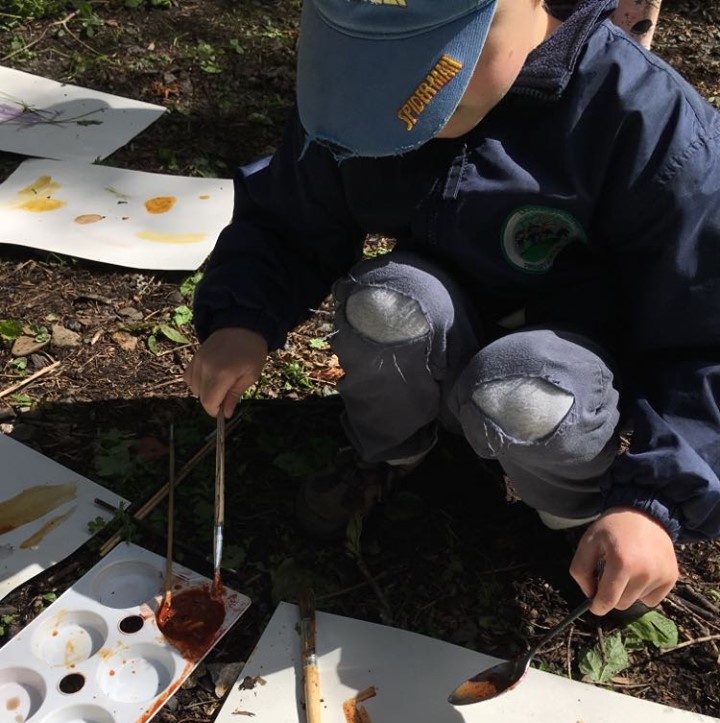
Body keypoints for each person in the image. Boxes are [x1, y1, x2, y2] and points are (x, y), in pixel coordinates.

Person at [183, 0, 720, 621]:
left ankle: (577, 511)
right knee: (385, 299)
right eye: (372, 77)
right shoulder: (364, 86)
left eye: (428, 83)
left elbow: (703, 332)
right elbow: (290, 216)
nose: (401, 107)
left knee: (528, 387)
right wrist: (242, 316)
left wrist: (653, 504)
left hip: (567, 352)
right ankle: (390, 449)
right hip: (439, 314)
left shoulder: (647, 123)